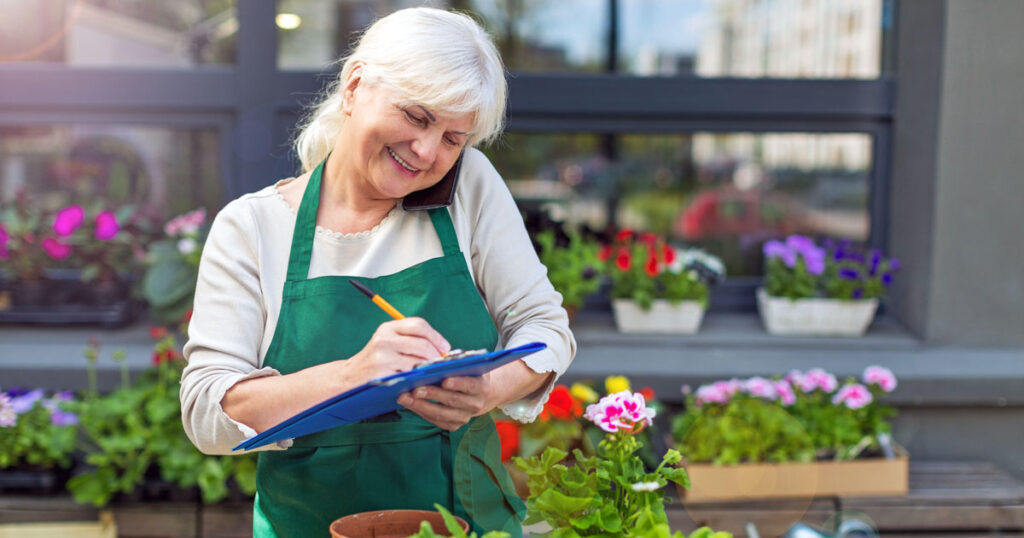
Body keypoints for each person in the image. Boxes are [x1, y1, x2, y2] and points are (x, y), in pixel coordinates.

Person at [179, 7, 575, 538]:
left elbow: (547, 330)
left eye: (454, 138)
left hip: (472, 523)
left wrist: (491, 389)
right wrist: (353, 376)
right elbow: (208, 413)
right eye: (417, 116)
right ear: (355, 85)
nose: (429, 152)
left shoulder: (468, 190)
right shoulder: (251, 228)